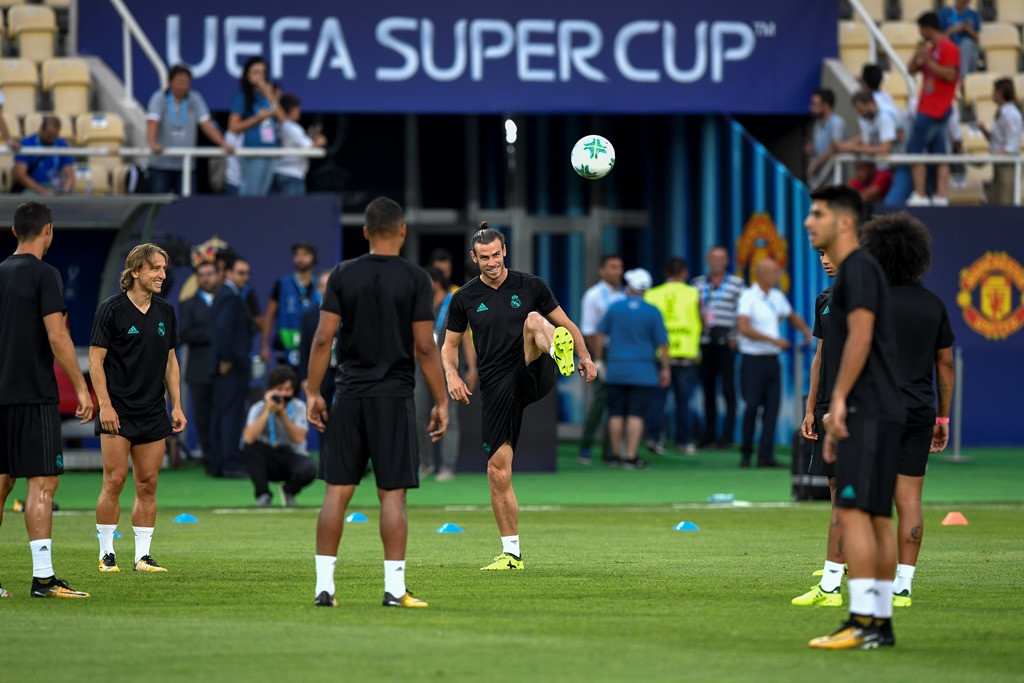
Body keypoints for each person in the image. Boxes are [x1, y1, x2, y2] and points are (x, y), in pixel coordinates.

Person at [307, 197, 449, 608]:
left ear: (366, 231)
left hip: (349, 394)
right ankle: (394, 589)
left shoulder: (342, 274)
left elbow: (323, 339)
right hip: (394, 396)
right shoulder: (416, 278)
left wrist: (313, 393)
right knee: (392, 495)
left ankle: (324, 589)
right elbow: (426, 347)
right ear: (402, 230)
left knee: (336, 494)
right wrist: (441, 401)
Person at [443, 224, 597, 570]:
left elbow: (568, 323)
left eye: (496, 255)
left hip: (532, 368)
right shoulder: (464, 298)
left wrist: (585, 357)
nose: (492, 262)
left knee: (534, 320)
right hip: (497, 385)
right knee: (497, 471)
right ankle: (511, 554)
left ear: (505, 251)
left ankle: (558, 352)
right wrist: (452, 374)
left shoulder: (531, 285)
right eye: (484, 257)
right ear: (474, 258)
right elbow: (449, 346)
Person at [804, 185, 905, 650]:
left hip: (866, 410)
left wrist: (839, 402)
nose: (809, 222)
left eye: (817, 214)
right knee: (875, 517)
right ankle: (877, 624)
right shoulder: (858, 274)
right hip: (879, 408)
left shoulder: (858, 272)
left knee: (855, 514)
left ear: (844, 222)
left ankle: (863, 621)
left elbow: (861, 338)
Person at [860, 212, 955, 608]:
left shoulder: (870, 302)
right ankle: (904, 584)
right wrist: (942, 418)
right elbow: (944, 364)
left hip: (875, 410)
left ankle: (873, 581)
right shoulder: (933, 304)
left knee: (871, 500)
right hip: (919, 410)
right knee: (910, 501)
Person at [0, 201, 93, 599]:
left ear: (13, 232)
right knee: (42, 484)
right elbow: (57, 336)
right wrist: (82, 387)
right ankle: (42, 579)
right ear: (48, 230)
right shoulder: (45, 274)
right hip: (34, 395)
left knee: (2, 483)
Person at [90, 243, 186, 574]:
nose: (162, 275)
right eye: (155, 268)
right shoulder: (111, 309)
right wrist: (105, 406)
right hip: (117, 411)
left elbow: (171, 362)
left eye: (164, 268)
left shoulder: (166, 312)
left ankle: (142, 557)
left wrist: (177, 405)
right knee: (114, 481)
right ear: (135, 272)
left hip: (152, 411)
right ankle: (106, 553)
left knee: (148, 483)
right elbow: (95, 361)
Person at [792, 248, 845, 608]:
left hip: (855, 405)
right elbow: (820, 357)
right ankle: (842, 557)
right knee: (835, 483)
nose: (824, 259)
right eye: (821, 254)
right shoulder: (824, 299)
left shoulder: (867, 297)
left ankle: (839, 571)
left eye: (830, 252)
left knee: (856, 488)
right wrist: (810, 409)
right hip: (825, 405)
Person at [736, 259, 812, 468]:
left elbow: (791, 315)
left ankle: (765, 455)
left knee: (772, 408)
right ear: (761, 274)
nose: (778, 277)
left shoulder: (776, 296)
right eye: (774, 273)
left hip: (772, 361)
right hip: (752, 361)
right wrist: (773, 340)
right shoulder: (748, 296)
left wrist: (806, 330)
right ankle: (746, 453)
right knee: (752, 407)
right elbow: (743, 327)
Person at [593, 268, 669, 469]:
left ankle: (615, 456)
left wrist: (599, 359)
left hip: (616, 369)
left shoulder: (615, 308)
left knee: (616, 412)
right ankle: (631, 457)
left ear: (629, 286)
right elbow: (662, 344)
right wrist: (665, 368)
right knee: (636, 414)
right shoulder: (652, 311)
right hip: (643, 371)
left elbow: (599, 335)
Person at [415, 266, 477, 482]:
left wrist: (472, 367)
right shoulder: (421, 303)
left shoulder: (453, 301)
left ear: (436, 282)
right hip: (422, 367)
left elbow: (466, 337)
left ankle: (448, 466)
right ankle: (425, 462)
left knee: (449, 416)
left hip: (448, 366)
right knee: (418, 413)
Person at [643, 257, 702, 455]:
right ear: (684, 273)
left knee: (657, 401)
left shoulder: (651, 294)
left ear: (665, 273)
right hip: (685, 356)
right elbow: (704, 319)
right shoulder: (694, 293)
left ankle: (654, 438)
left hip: (659, 356)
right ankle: (683, 442)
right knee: (684, 402)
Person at [146, 64, 233, 195]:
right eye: (180, 81)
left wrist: (223, 143)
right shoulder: (159, 98)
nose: (183, 85)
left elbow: (206, 124)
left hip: (186, 165)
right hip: (161, 164)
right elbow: (153, 122)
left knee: (187, 202)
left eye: (186, 82)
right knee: (158, 201)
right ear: (170, 82)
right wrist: (152, 144)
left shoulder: (195, 98)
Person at [691, 247, 745, 449]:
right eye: (713, 258)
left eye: (720, 258)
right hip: (704, 342)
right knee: (708, 390)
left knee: (728, 389)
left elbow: (742, 311)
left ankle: (728, 436)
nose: (716, 262)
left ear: (727, 261)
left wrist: (735, 336)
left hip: (726, 343)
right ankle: (709, 435)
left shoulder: (737, 284)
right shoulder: (697, 283)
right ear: (708, 260)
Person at [242, 365, 317, 507]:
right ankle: (263, 494)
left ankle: (289, 491)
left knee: (310, 468)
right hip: (268, 457)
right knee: (250, 449)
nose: (283, 394)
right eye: (279, 389)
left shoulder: (299, 407)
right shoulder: (258, 407)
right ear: (270, 390)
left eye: (287, 390)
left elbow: (299, 439)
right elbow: (248, 438)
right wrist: (267, 411)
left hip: (291, 455)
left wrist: (282, 414)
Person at [906, 11, 960, 207]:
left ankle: (921, 194)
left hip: (936, 108)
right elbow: (911, 70)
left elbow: (950, 75)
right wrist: (917, 56)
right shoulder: (931, 49)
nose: (920, 34)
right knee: (939, 151)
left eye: (921, 29)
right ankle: (940, 196)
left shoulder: (949, 48)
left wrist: (929, 62)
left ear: (928, 29)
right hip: (929, 107)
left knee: (914, 149)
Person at [208, 251, 252, 478]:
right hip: (231, 367)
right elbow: (223, 331)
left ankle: (218, 464)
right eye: (241, 273)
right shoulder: (230, 297)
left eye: (247, 273)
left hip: (228, 365)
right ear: (228, 273)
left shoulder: (225, 294)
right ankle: (230, 464)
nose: (245, 277)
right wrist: (226, 359)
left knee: (222, 414)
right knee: (230, 416)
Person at [578, 254, 625, 463]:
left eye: (620, 267)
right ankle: (585, 448)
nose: (618, 271)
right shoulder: (593, 295)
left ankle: (610, 451)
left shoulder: (624, 294)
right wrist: (597, 360)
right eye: (613, 267)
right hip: (600, 352)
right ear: (602, 271)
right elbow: (589, 331)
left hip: (619, 352)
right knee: (600, 400)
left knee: (616, 401)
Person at [179, 260, 221, 464]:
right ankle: (208, 455)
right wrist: (214, 333)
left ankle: (224, 454)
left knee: (223, 414)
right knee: (203, 415)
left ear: (218, 275)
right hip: (199, 369)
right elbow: (184, 333)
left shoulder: (227, 300)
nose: (206, 278)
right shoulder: (188, 305)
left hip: (224, 369)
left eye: (210, 273)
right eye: (202, 275)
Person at [228, 56, 284, 197]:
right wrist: (258, 118)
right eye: (255, 72)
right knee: (251, 192)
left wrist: (270, 95)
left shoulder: (267, 96)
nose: (260, 76)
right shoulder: (242, 97)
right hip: (252, 151)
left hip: (270, 150)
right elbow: (233, 126)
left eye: (263, 72)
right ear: (247, 75)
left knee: (263, 194)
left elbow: (283, 119)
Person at [261, 242, 320, 370]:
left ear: (313, 257)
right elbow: (269, 315)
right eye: (297, 255)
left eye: (305, 254)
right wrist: (264, 345)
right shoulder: (282, 284)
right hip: (286, 346)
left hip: (312, 345)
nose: (300, 258)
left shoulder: (320, 285)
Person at [836, 91, 899, 203]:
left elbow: (884, 149)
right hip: (873, 168)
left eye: (861, 109)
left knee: (863, 197)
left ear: (871, 104)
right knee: (844, 194)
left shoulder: (885, 117)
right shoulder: (864, 119)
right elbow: (866, 141)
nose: (860, 113)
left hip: (890, 168)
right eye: (858, 110)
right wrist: (846, 145)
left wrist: (854, 148)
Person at [977, 78, 1023, 205]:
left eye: (994, 91)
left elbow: (1012, 145)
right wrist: (984, 131)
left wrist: (990, 157)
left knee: (1005, 202)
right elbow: (997, 140)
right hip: (999, 164)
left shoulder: (1011, 114)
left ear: (1001, 92)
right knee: (995, 201)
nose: (992, 94)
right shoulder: (1002, 112)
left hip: (1008, 166)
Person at [271, 94, 327, 196]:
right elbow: (309, 148)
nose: (299, 112)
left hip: (278, 171)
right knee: (292, 206)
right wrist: (319, 141)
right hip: (291, 175)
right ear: (292, 110)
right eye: (297, 109)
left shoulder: (277, 125)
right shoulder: (291, 127)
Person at [298, 270, 336, 407]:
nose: (329, 289)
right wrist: (304, 377)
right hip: (321, 372)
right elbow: (304, 348)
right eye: (326, 285)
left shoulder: (350, 312)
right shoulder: (309, 315)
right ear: (319, 288)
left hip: (344, 373)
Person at [13, 116, 74, 196]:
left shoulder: (62, 145)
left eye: (55, 136)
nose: (52, 138)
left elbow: (70, 175)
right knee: (30, 198)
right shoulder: (26, 143)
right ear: (41, 129)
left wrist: (66, 188)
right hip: (33, 188)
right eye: (49, 135)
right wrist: (42, 191)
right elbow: (20, 175)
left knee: (73, 198)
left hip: (55, 187)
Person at [806, 88, 845, 181]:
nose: (811, 107)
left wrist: (816, 163)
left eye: (814, 104)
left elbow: (837, 149)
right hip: (818, 180)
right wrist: (812, 151)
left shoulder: (836, 122)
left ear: (826, 105)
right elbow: (823, 151)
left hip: (834, 181)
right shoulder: (817, 124)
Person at [939, 0, 980, 80]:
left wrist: (969, 30)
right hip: (949, 46)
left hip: (967, 50)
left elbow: (977, 40)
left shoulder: (973, 15)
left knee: (967, 44)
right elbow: (939, 39)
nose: (963, 1)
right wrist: (952, 30)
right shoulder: (944, 14)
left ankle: (962, 78)